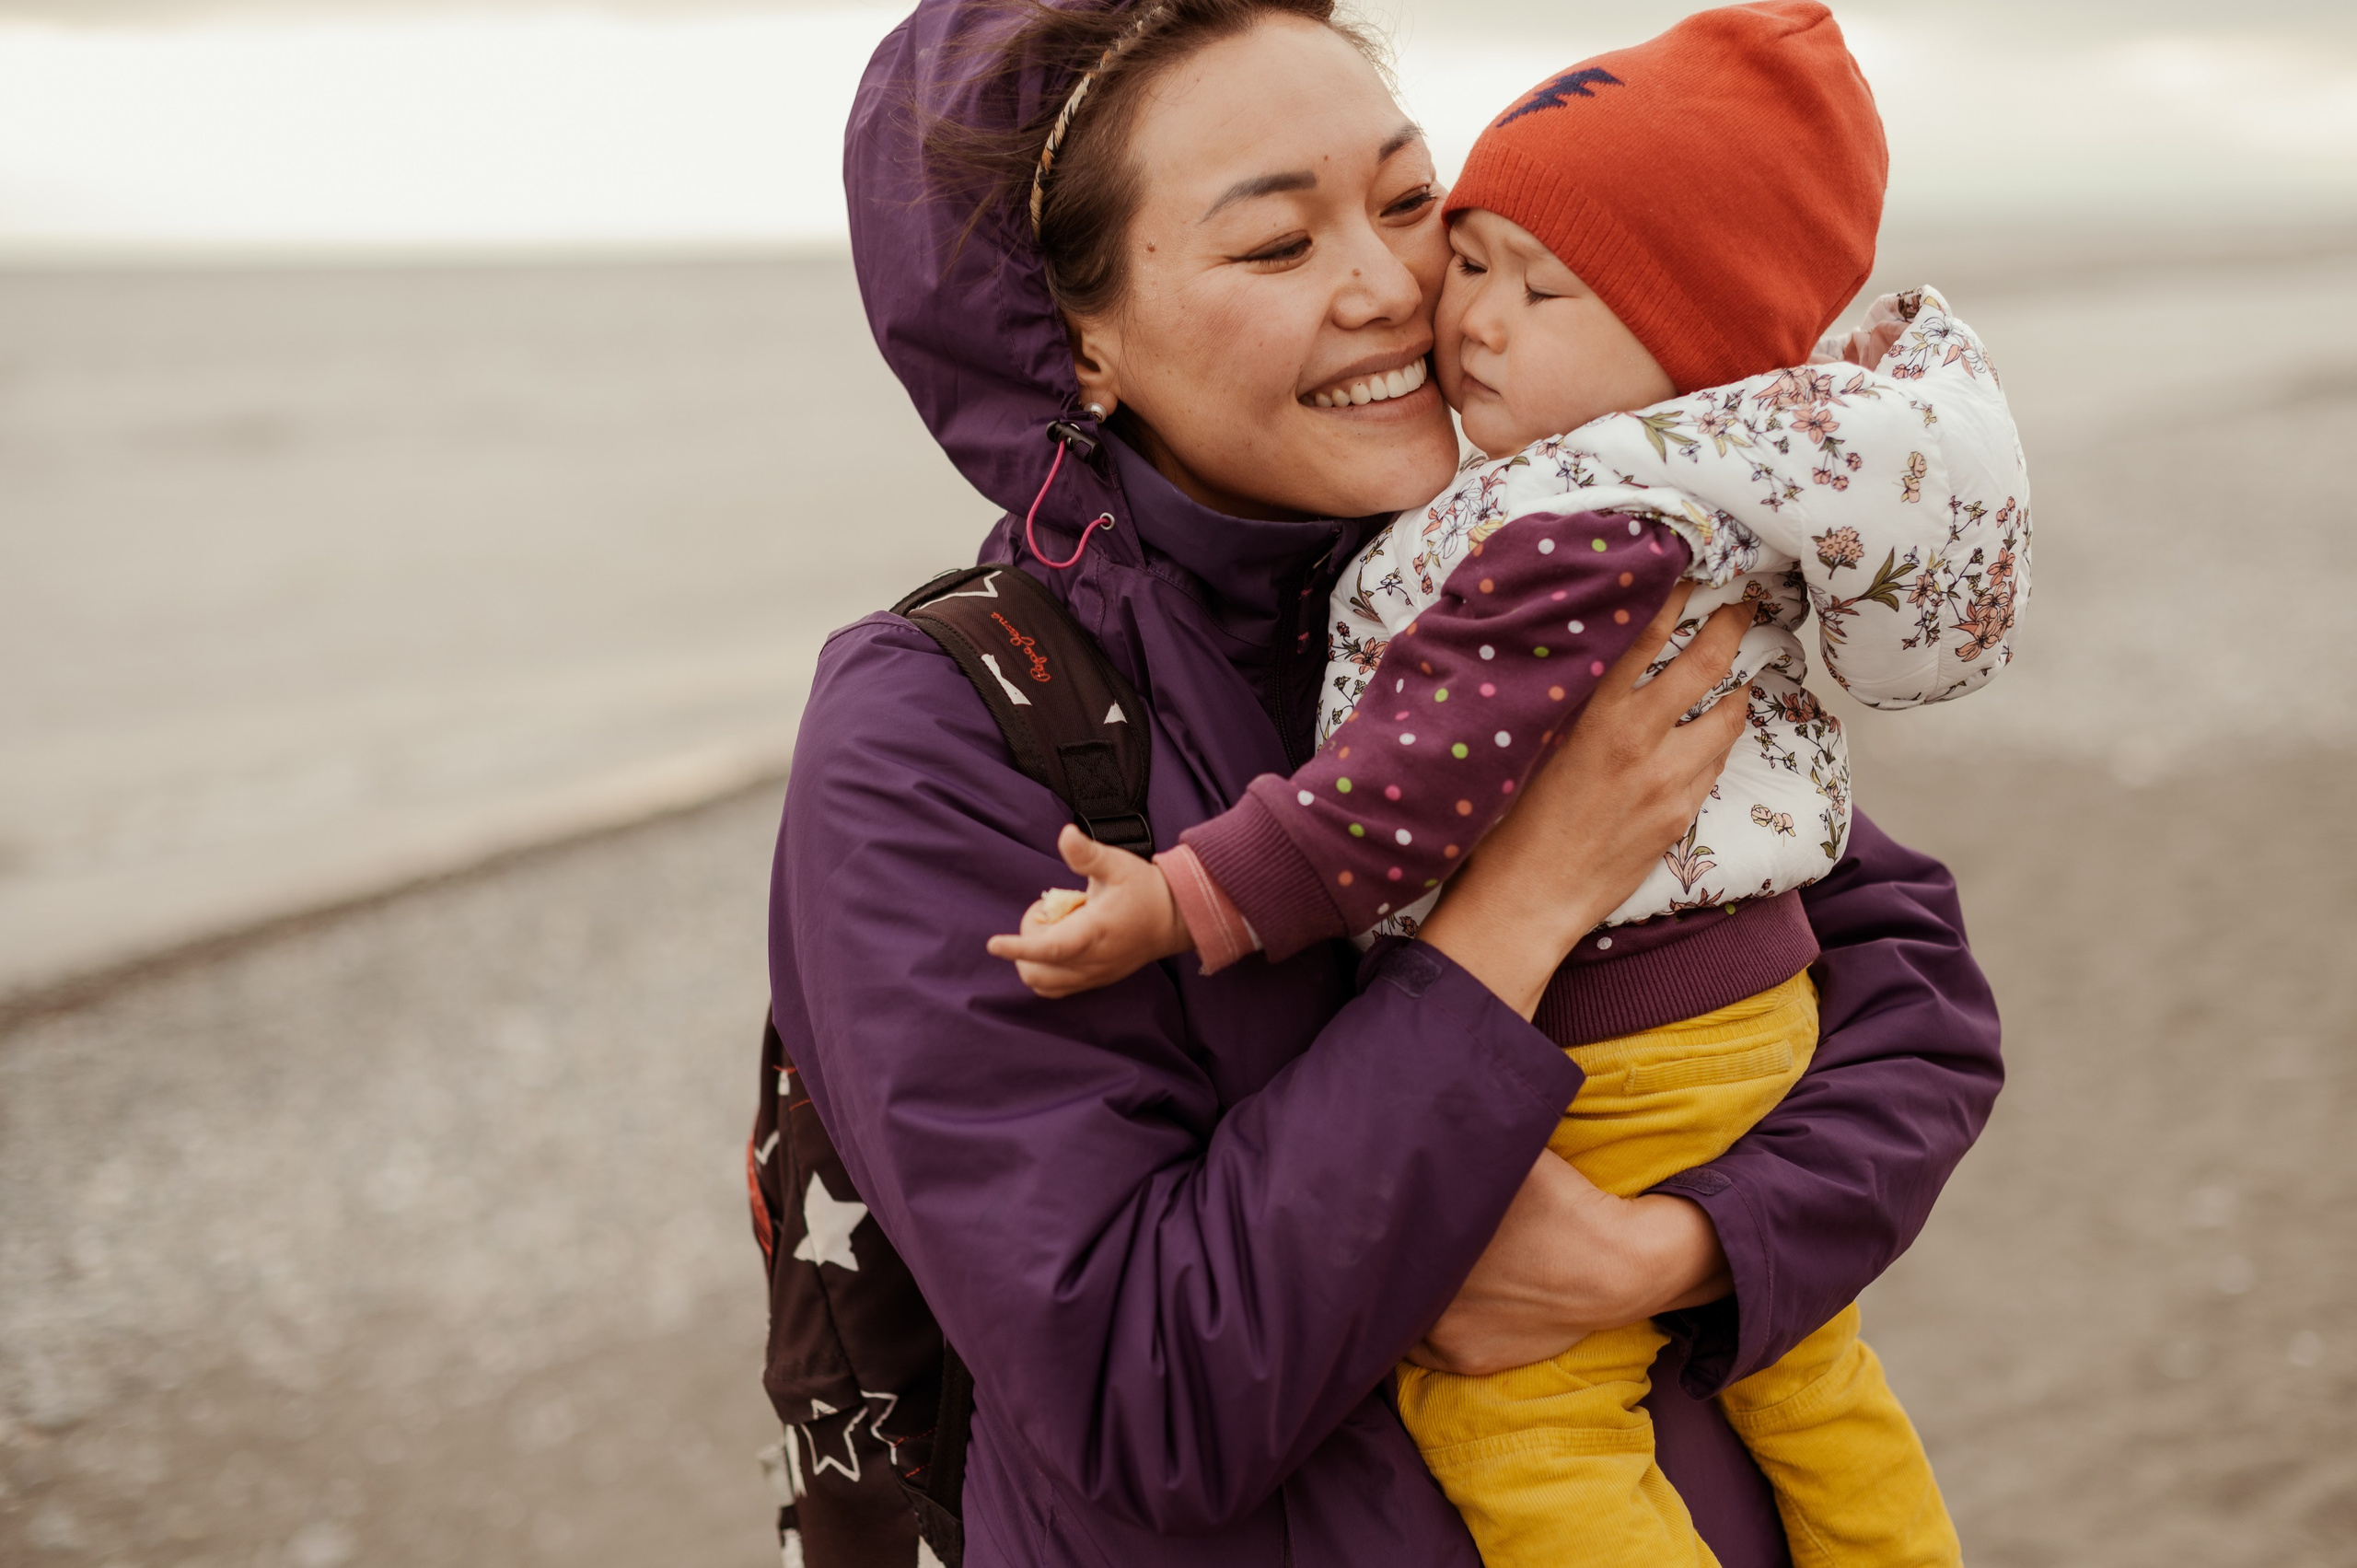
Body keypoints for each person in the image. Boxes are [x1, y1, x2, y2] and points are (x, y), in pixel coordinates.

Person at [763, 1, 2002, 1563]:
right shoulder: (944, 732)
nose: (1393, 290)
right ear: (1073, 338)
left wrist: (1673, 1251)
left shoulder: (1523, 571)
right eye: (1277, 247)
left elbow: (1916, 992)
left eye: (1412, 204)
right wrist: (1518, 908)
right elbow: (1140, 1395)